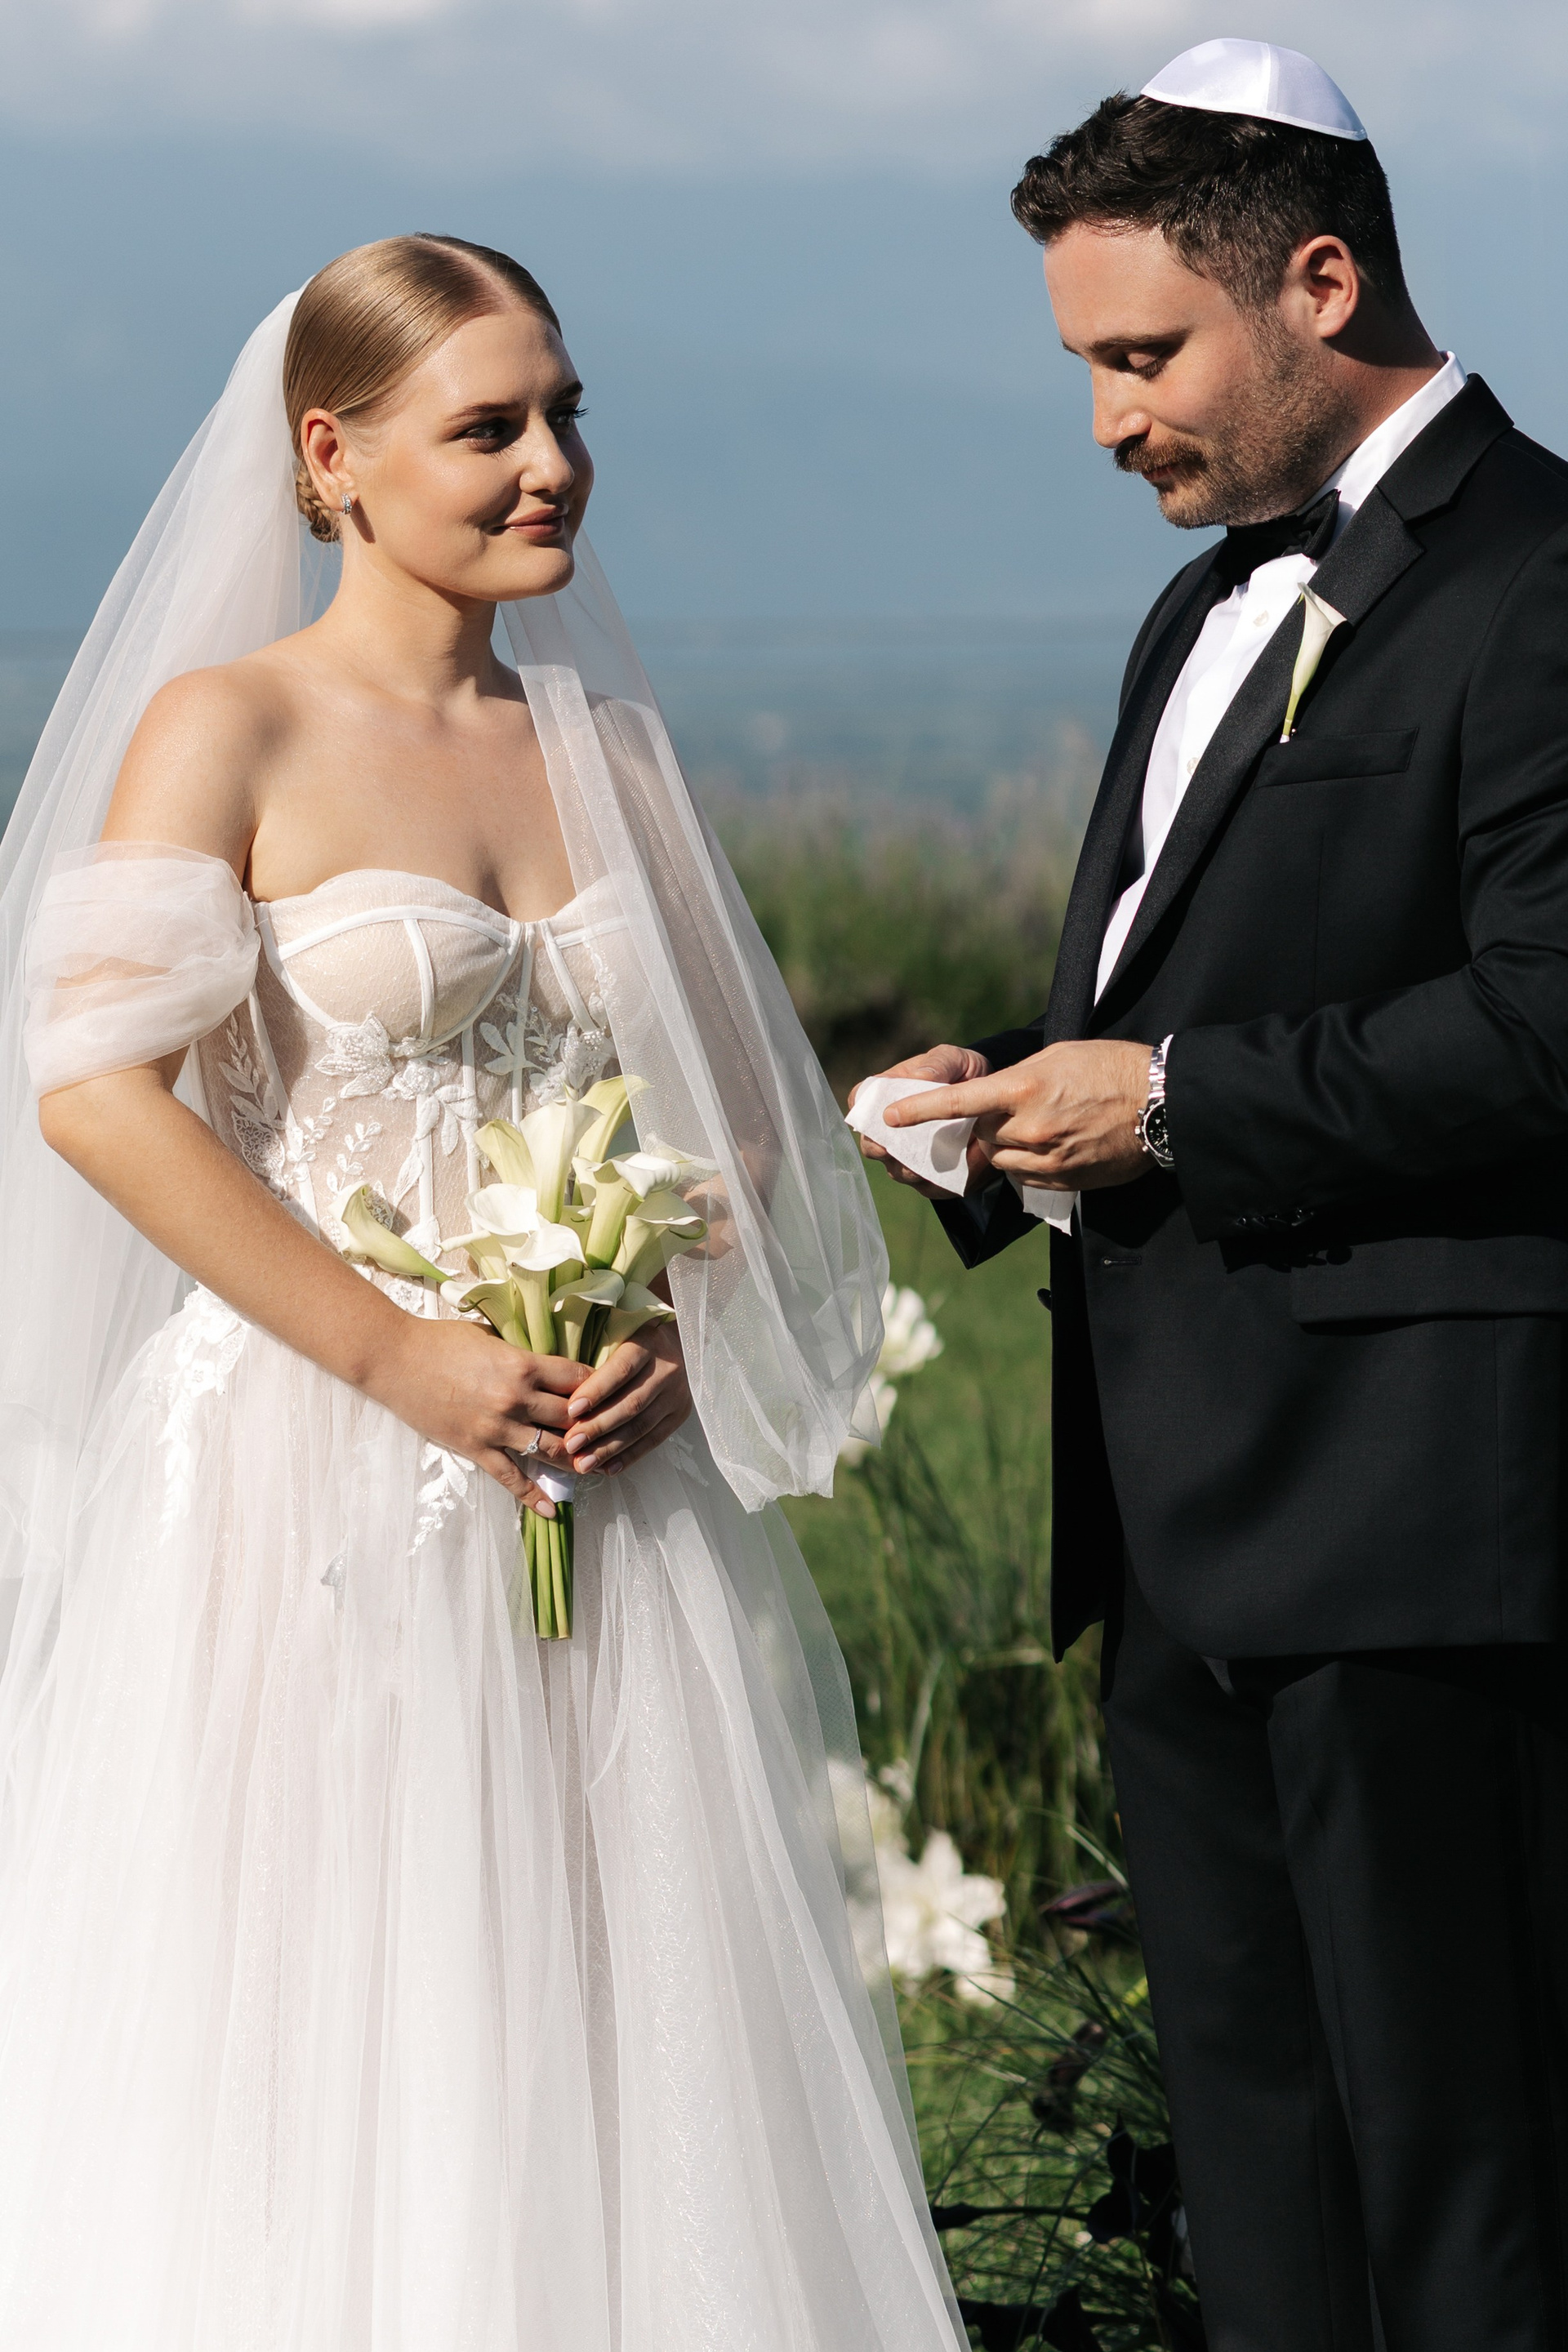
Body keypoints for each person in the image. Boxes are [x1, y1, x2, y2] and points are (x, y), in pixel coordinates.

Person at [0, 236, 968, 2351]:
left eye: (567, 414)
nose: (553, 465)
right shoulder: (229, 725)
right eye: (492, 426)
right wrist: (394, 1355)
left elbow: (739, 1125)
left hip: (595, 1484)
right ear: (332, 455)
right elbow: (93, 1095)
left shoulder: (607, 750)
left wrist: (667, 1332)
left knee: (622, 2013)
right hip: (306, 1473)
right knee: (337, 2006)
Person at [855, 41, 1568, 2351]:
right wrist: (1007, 1098)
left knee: (1470, 2186)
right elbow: (1204, 987)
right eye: (1088, 362)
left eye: (1144, 355)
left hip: (1423, 1526)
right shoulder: (1199, 611)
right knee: (1267, 2186)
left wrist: (1165, 1107)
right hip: (1172, 1526)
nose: (1106, 419)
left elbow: (1546, 1025)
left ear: (1320, 284)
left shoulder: (1544, 577)